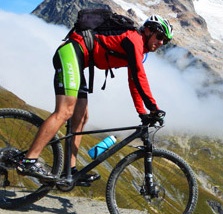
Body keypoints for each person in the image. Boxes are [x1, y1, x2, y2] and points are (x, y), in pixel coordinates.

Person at [16, 15, 174, 181]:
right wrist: (154, 107)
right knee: (64, 111)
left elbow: (133, 81)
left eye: (166, 41)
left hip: (79, 63)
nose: (161, 42)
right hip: (71, 53)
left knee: (82, 117)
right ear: (148, 30)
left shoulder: (139, 50)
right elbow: (139, 75)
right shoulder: (134, 39)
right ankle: (29, 160)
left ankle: (69, 171)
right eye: (160, 36)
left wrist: (142, 112)